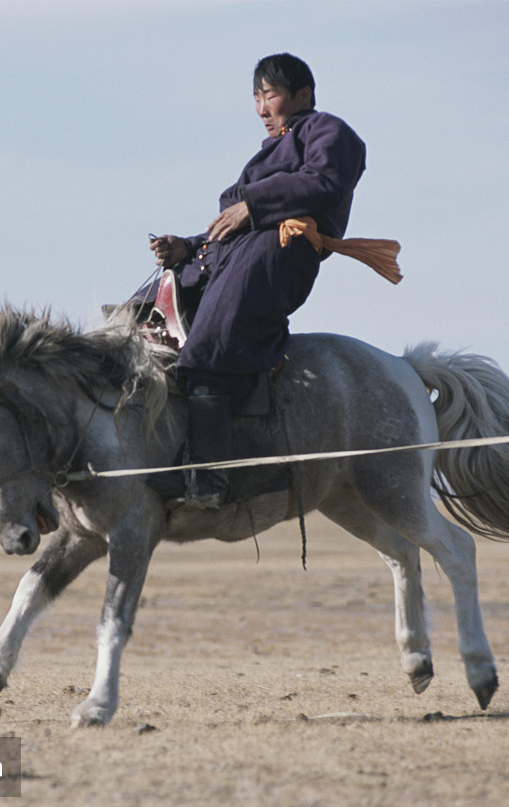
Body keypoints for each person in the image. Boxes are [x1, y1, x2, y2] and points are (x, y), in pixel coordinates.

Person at [146, 53, 367, 508]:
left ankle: (210, 477)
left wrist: (254, 206)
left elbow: (325, 182)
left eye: (271, 95)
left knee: (213, 341)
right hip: (238, 254)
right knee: (146, 317)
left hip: (280, 255)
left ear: (303, 95)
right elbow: (234, 228)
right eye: (256, 98)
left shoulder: (330, 131)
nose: (262, 108)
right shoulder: (269, 151)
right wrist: (188, 247)